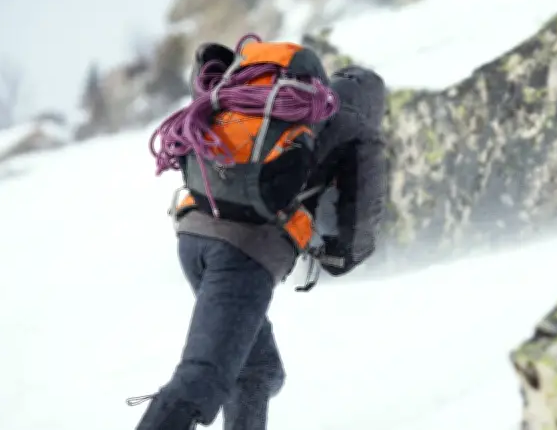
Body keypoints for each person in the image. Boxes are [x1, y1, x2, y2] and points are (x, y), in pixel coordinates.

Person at [128, 34, 387, 430]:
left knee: (260, 368)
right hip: (242, 253)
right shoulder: (353, 126)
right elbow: (362, 215)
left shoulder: (280, 103)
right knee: (201, 378)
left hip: (193, 235)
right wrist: (342, 255)